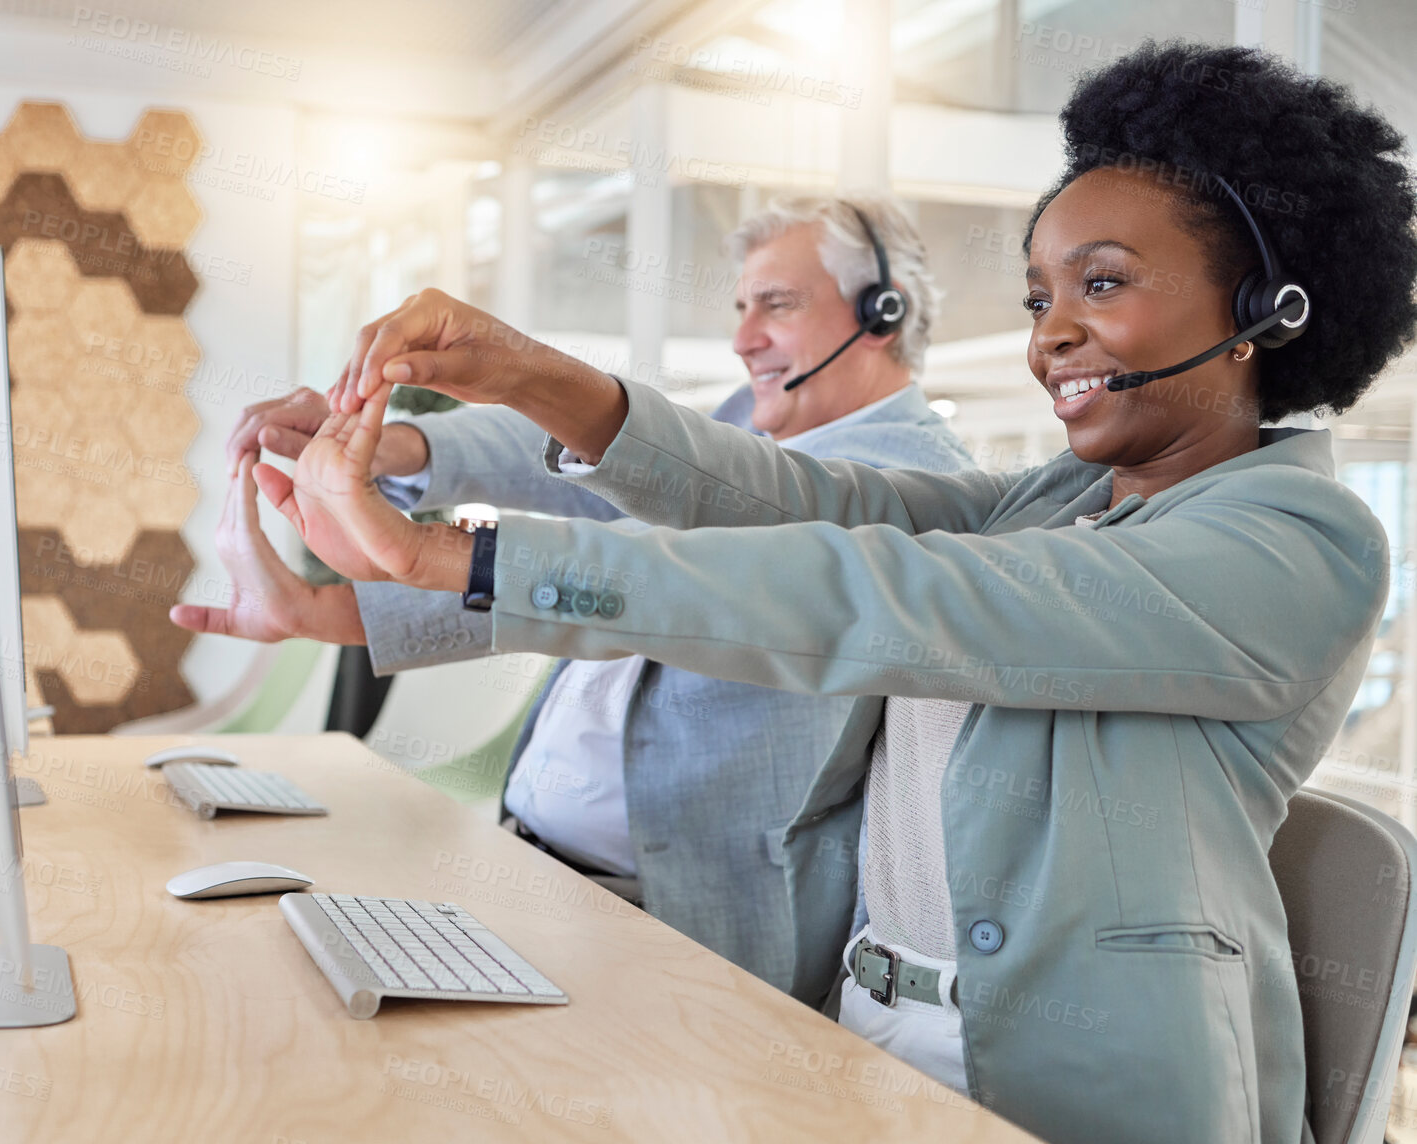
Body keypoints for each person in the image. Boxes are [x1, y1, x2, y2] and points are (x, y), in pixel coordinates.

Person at [254, 41, 1417, 1144]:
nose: (1051, 335)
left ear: (1268, 309)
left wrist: (457, 561)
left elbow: (894, 595)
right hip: (865, 1031)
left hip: (1064, 1086)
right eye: (1035, 299)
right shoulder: (1054, 496)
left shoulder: (1301, 540)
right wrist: (530, 375)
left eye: (1100, 284)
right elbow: (800, 504)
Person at [172, 197, 975, 992]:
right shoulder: (760, 423)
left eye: (776, 305)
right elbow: (585, 463)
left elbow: (655, 570)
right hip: (548, 868)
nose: (742, 340)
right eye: (739, 307)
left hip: (694, 911)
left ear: (883, 312)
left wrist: (337, 609)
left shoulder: (911, 479)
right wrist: (396, 445)